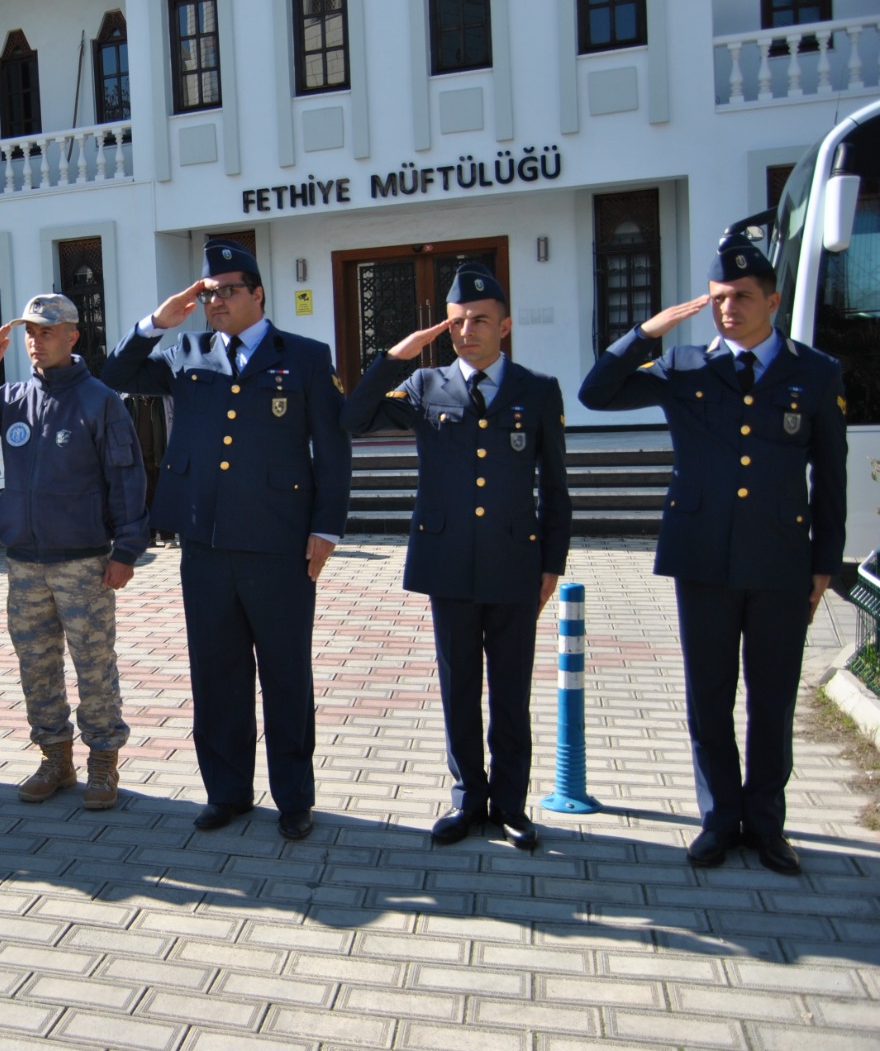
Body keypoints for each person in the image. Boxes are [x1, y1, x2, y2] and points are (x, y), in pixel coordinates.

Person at [580, 234, 847, 875]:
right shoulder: (684, 367)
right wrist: (646, 332)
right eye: (720, 298)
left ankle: (767, 824)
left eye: (742, 297)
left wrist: (825, 566)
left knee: (773, 696)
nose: (728, 308)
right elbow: (596, 393)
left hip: (782, 562)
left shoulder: (815, 373)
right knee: (709, 696)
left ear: (773, 301)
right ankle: (718, 819)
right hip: (702, 558)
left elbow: (831, 477)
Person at [101, 239, 349, 840]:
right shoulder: (186, 352)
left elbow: (334, 450)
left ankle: (294, 798)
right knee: (217, 673)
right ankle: (227, 791)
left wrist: (326, 527)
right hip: (205, 542)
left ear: (258, 294)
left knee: (285, 675)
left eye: (228, 291)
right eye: (207, 292)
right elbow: (114, 373)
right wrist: (159, 321)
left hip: (280, 543)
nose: (215, 301)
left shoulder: (308, 358)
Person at [341, 262, 571, 850]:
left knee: (511, 690)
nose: (468, 330)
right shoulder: (424, 387)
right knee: (459, 686)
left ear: (505, 325)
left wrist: (553, 564)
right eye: (457, 322)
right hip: (448, 561)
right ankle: (468, 797)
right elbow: (353, 418)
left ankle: (512, 805)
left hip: (515, 561)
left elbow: (557, 486)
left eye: (481, 320)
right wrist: (399, 355)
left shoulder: (537, 390)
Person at [0, 294, 148, 811]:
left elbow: (127, 478)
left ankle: (103, 760)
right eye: (30, 333)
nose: (37, 342)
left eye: (47, 331)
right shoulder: (10, 396)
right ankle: (55, 756)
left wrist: (127, 548)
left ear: (73, 336)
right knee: (35, 663)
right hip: (24, 561)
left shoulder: (102, 400)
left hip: (83, 562)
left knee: (94, 664)